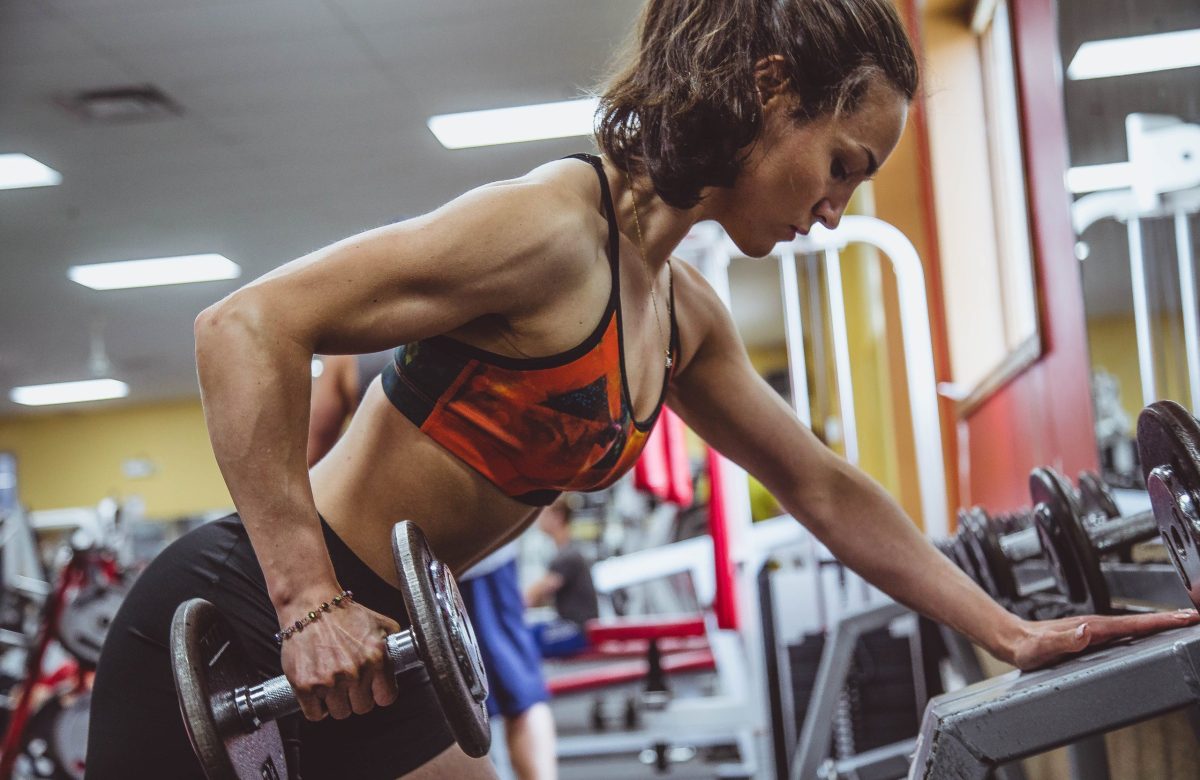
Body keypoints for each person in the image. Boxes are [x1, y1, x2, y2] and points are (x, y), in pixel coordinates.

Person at [86, 1, 1199, 778]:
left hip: (387, 641)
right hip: (246, 614)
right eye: (842, 165)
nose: (835, 210)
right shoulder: (549, 229)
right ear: (772, 89)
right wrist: (306, 600)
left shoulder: (678, 316)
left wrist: (1012, 632)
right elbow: (243, 327)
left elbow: (820, 485)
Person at [308, 353, 558, 779]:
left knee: (447, 696)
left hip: (395, 555)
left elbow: (311, 459)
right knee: (508, 688)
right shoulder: (465, 324)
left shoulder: (345, 356)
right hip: (462, 541)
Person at [525, 498, 600, 658]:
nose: (538, 519)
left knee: (527, 639)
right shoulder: (566, 551)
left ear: (557, 517)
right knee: (530, 633)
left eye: (543, 513)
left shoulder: (568, 555)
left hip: (578, 630)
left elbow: (539, 591)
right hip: (571, 625)